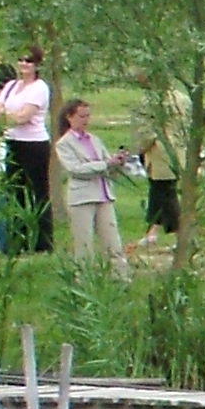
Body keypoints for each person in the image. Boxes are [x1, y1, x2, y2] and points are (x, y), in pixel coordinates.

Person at [53, 100, 126, 277]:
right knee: (84, 245)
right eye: (82, 116)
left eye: (88, 116)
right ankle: (84, 281)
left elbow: (107, 165)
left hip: (103, 196)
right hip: (82, 198)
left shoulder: (95, 140)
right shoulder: (64, 144)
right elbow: (75, 170)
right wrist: (105, 164)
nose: (86, 120)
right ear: (69, 117)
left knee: (113, 242)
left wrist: (117, 162)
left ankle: (121, 278)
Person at [0, 49, 52, 253]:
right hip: (13, 142)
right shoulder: (10, 86)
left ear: (37, 65)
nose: (24, 64)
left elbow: (24, 117)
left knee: (37, 192)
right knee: (15, 192)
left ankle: (42, 243)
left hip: (34, 145)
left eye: (29, 61)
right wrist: (8, 115)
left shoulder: (39, 88)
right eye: (21, 60)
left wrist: (6, 115)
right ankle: (17, 241)